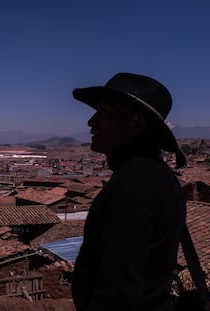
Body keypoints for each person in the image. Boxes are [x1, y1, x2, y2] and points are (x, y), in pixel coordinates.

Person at [71, 72, 187, 311]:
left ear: (135, 123)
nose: (91, 122)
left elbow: (117, 289)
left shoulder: (135, 182)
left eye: (103, 113)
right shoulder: (154, 174)